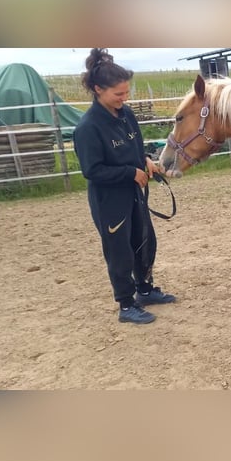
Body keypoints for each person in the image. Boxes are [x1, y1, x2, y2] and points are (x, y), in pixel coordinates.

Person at [73, 48, 176, 324]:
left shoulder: (126, 115)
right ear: (98, 90)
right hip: (110, 199)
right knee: (119, 249)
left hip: (134, 192)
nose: (124, 98)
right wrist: (130, 172)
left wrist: (145, 160)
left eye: (126, 93)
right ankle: (126, 304)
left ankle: (144, 289)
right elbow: (92, 170)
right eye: (118, 94)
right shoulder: (88, 127)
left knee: (143, 240)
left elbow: (135, 147)